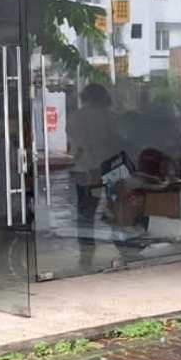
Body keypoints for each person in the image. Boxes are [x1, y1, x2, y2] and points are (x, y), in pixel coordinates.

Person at [66, 83, 118, 266]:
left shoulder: (75, 117)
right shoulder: (111, 117)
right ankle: (121, 244)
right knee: (115, 206)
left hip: (84, 169)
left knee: (85, 211)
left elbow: (76, 146)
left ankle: (86, 251)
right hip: (109, 167)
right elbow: (117, 143)